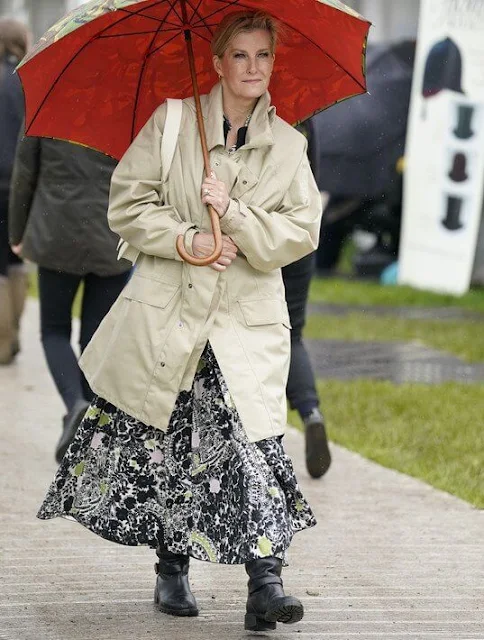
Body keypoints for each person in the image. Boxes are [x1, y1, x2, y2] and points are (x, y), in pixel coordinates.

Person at [37, 10, 321, 633]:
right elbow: (128, 206)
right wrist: (189, 237)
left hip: (246, 323)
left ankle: (265, 582)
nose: (252, 68)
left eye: (263, 57)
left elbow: (300, 233)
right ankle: (172, 568)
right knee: (172, 446)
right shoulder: (170, 123)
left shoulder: (292, 146)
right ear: (217, 63)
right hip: (172, 317)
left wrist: (237, 216)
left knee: (251, 445)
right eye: (240, 56)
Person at [9, 137, 131, 462]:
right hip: (111, 239)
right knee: (95, 340)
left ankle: (75, 405)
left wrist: (16, 234)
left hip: (55, 233)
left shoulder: (49, 103)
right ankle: (88, 429)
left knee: (54, 331)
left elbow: (25, 173)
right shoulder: (128, 107)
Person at [284, 118, 331, 479]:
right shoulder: (303, 115)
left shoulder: (238, 115)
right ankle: (311, 413)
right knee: (291, 333)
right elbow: (315, 176)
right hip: (301, 236)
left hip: (258, 237)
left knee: (252, 335)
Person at [0, 18, 30, 365]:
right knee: (17, 259)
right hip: (20, 184)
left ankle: (3, 342)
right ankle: (15, 330)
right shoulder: (28, 80)